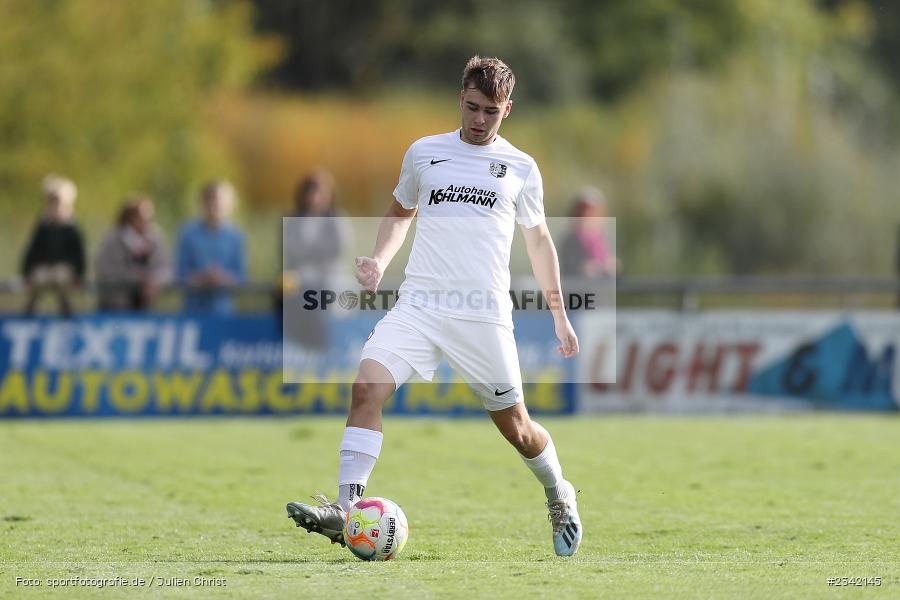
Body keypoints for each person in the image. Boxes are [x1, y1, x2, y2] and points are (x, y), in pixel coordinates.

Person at [286, 56, 583, 557]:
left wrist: (559, 313)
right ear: (460, 99)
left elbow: (539, 242)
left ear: (507, 110)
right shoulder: (425, 153)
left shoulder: (520, 167)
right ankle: (347, 508)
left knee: (518, 429)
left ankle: (559, 492)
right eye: (472, 107)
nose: (479, 119)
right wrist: (379, 261)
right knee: (366, 388)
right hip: (419, 306)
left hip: (482, 314)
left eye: (491, 111)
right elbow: (400, 212)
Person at [280, 168, 352, 350]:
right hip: (300, 276)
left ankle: (320, 344)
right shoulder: (292, 220)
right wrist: (318, 252)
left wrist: (308, 252)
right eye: (311, 193)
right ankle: (296, 342)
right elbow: (289, 251)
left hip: (330, 277)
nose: (315, 198)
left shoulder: (337, 220)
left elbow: (339, 250)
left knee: (320, 296)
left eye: (320, 193)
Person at [175, 180, 247, 314]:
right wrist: (203, 278)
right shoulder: (187, 233)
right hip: (193, 311)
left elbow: (241, 277)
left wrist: (222, 278)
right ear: (202, 203)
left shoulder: (236, 236)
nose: (213, 206)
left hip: (224, 312)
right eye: (209, 200)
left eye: (218, 201)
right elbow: (180, 274)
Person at [20, 174, 86, 317]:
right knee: (39, 277)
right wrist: (27, 271)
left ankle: (66, 311)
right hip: (45, 268)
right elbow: (33, 250)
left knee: (60, 277)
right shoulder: (43, 225)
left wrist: (78, 274)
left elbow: (78, 254)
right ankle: (31, 311)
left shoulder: (71, 227)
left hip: (64, 269)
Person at [95, 195, 171, 311]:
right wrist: (139, 279)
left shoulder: (154, 237)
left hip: (147, 306)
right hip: (116, 307)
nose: (146, 222)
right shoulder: (113, 239)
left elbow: (165, 268)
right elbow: (107, 270)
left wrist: (155, 281)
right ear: (130, 218)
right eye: (141, 218)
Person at [559, 187, 620, 278]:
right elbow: (574, 268)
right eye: (581, 211)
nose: (586, 215)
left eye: (592, 211)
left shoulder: (603, 239)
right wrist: (597, 268)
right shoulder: (570, 240)